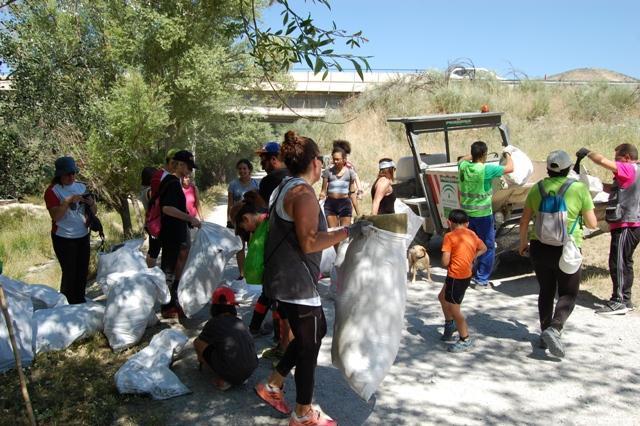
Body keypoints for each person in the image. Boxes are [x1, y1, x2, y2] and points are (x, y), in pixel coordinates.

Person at [254, 130, 369, 426]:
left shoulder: (284, 186)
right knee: (309, 343)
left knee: (314, 333)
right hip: (296, 283)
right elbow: (308, 242)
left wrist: (337, 233)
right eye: (322, 159)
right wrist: (346, 232)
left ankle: (273, 384)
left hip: (282, 279)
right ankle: (303, 413)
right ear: (316, 162)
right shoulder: (302, 192)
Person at [518, 150, 597, 358]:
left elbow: (524, 220)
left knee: (546, 290)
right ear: (569, 168)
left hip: (540, 247)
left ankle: (545, 334)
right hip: (567, 248)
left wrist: (523, 243)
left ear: (547, 169)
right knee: (568, 293)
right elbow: (592, 223)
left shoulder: (537, 188)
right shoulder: (579, 188)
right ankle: (555, 328)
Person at [577, 144, 640, 315]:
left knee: (618, 262)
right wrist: (594, 184)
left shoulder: (629, 168)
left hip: (626, 223)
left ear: (627, 157)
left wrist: (588, 152)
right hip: (630, 223)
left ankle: (619, 300)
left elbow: (602, 161)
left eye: (618, 159)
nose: (615, 163)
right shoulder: (632, 172)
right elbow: (614, 189)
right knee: (624, 261)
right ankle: (625, 300)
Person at [458, 141, 514, 288]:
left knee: (467, 245)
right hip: (482, 215)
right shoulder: (486, 169)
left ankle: (463, 275)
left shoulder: (463, 167)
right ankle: (481, 280)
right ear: (484, 155)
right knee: (487, 246)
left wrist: (475, 153)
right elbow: (510, 168)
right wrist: (508, 153)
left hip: (466, 215)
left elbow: (462, 159)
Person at [44, 156, 97, 304]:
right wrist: (67, 201)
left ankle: (79, 301)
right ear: (59, 175)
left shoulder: (81, 186)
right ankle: (66, 304)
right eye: (68, 174)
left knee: (82, 271)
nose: (71, 177)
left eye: (74, 173)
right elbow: (56, 216)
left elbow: (94, 211)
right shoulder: (52, 191)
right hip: (64, 237)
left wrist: (91, 203)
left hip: (82, 235)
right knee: (69, 273)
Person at [159, 150, 202, 318]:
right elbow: (167, 208)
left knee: (175, 266)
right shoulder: (172, 182)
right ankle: (166, 306)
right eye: (189, 167)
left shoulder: (174, 181)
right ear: (181, 165)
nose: (190, 171)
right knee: (168, 270)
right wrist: (189, 218)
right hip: (170, 234)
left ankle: (172, 302)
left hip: (175, 232)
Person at [438, 209, 487, 352]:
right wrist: (472, 257)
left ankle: (465, 339)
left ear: (449, 222)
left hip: (456, 277)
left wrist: (452, 256)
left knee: (454, 310)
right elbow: (483, 248)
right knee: (442, 297)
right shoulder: (471, 233)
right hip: (464, 275)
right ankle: (449, 325)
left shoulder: (449, 236)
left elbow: (445, 262)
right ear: (467, 223)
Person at [193, 286, 258, 390]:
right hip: (250, 369)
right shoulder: (239, 321)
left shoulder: (213, 323)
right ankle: (239, 377)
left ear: (214, 307)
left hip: (231, 370)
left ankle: (225, 378)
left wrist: (202, 359)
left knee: (197, 342)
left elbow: (202, 342)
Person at [146, 149, 179, 268]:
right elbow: (156, 200)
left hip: (168, 220)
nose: (176, 165)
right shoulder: (159, 176)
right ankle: (151, 276)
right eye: (174, 162)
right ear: (168, 161)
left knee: (168, 251)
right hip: (158, 220)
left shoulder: (174, 177)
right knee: (154, 250)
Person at [227, 158, 259, 279]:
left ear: (249, 170)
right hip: (238, 221)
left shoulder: (256, 184)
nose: (242, 171)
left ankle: (252, 272)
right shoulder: (233, 185)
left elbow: (261, 203)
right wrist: (229, 220)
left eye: (244, 168)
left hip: (253, 221)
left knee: (252, 247)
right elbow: (230, 203)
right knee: (240, 247)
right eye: (240, 169)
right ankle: (242, 274)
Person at [319, 145, 358, 233]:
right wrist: (320, 200)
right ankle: (335, 247)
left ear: (344, 160)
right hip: (330, 205)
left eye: (338, 159)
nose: (335, 161)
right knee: (333, 233)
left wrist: (358, 213)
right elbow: (323, 191)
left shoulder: (350, 173)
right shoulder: (327, 172)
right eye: (334, 159)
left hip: (345, 204)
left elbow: (352, 193)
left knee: (345, 233)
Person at [333, 140, 364, 216]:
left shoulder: (349, 166)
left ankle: (359, 217)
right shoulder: (332, 166)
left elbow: (355, 177)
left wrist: (359, 190)